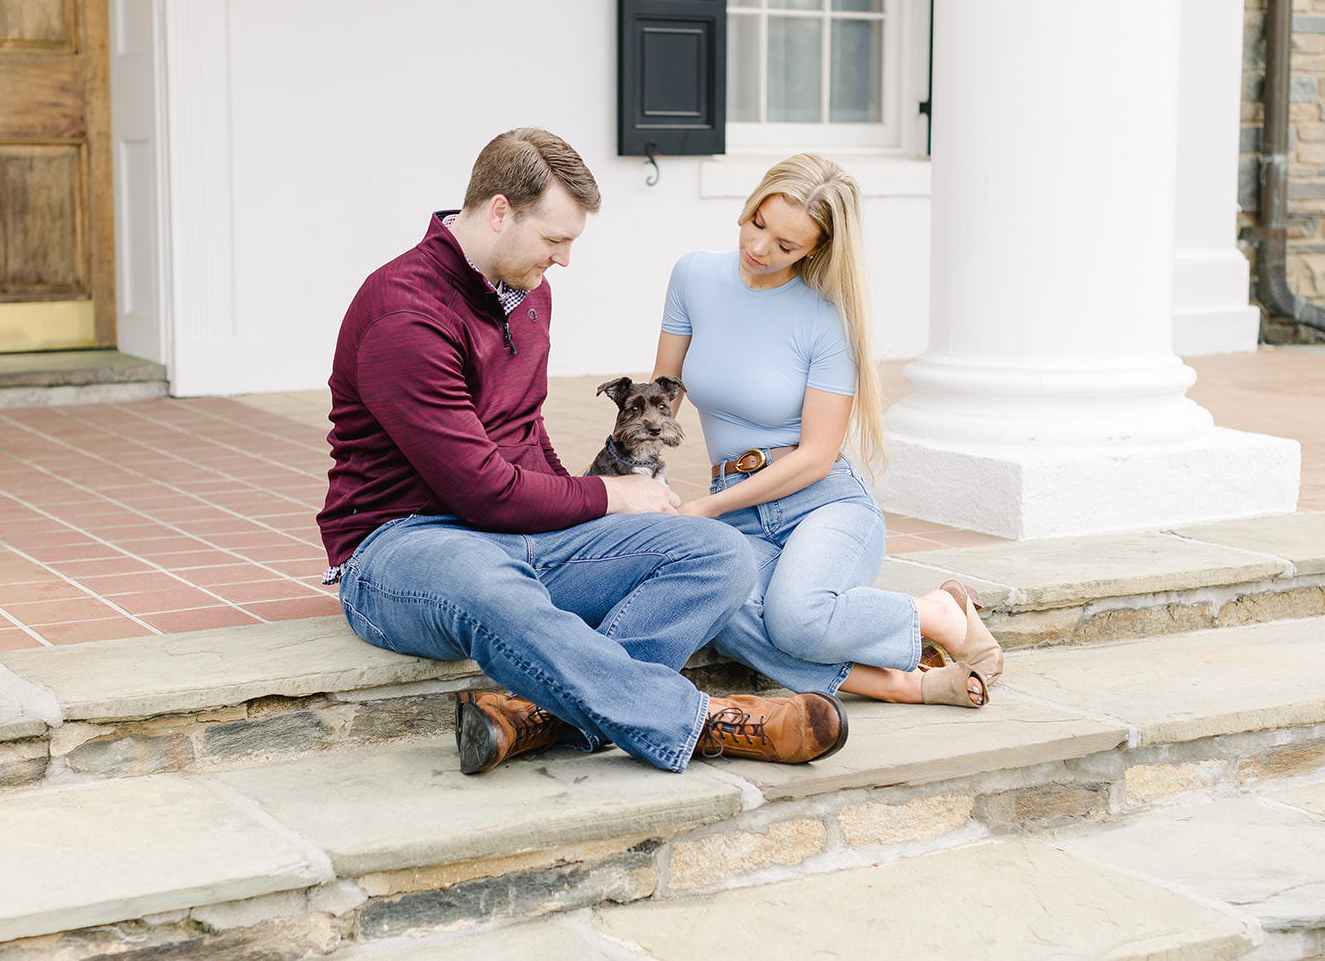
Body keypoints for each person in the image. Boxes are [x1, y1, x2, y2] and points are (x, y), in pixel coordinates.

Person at [318, 128, 848, 776]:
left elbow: (522, 433)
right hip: (400, 548)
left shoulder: (527, 291)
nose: (564, 258)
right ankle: (697, 719)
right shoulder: (406, 315)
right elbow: (479, 489)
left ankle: (542, 713)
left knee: (720, 554)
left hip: (512, 534)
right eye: (554, 239)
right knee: (491, 582)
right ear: (499, 211)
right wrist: (608, 494)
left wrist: (595, 522)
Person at [652, 153, 1004, 707]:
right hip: (736, 507)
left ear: (816, 248)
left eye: (785, 246)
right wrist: (633, 483)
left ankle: (937, 612)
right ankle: (904, 684)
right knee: (722, 610)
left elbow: (817, 456)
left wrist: (706, 510)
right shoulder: (693, 275)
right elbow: (661, 397)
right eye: (757, 223)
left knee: (796, 618)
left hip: (821, 502)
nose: (759, 248)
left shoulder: (827, 317)